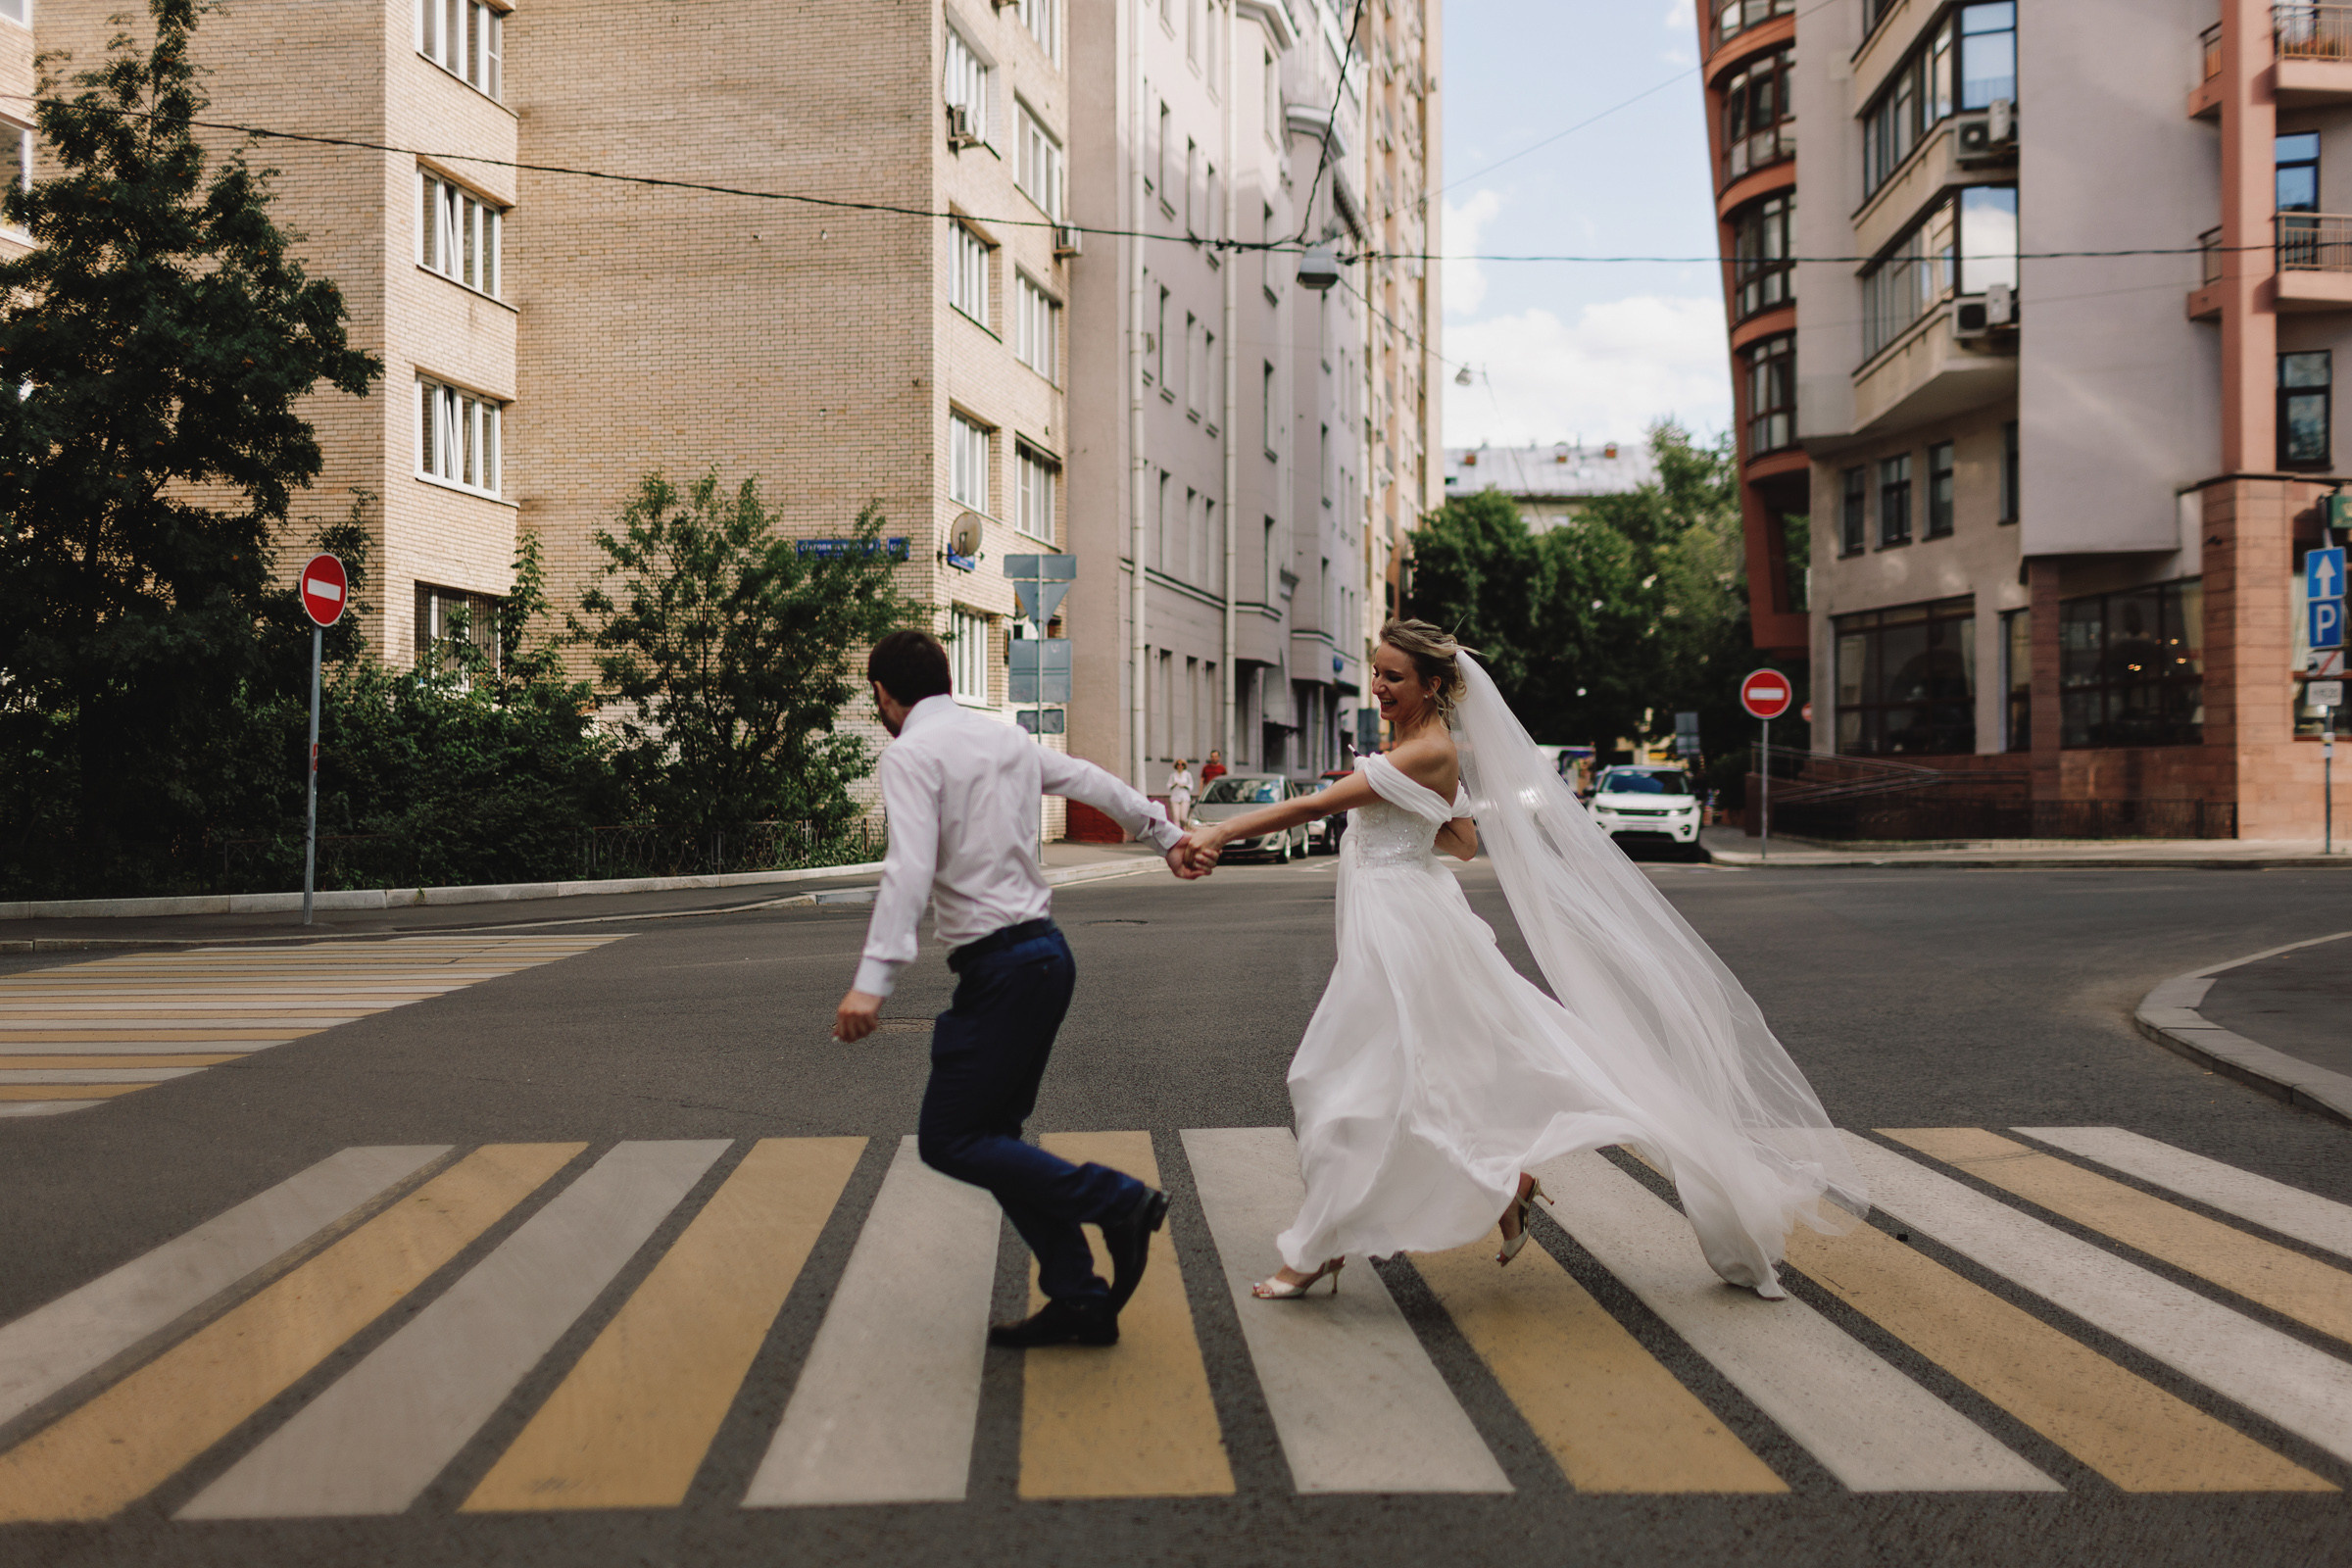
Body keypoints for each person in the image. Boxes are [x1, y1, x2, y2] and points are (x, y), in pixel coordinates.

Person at [1178, 618, 1865, 1301]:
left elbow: (1314, 806)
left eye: (1394, 676)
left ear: (1433, 685)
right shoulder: (1422, 748)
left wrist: (1221, 829)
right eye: (1378, 672)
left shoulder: (1420, 753)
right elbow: (1465, 842)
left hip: (1403, 930)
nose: (1380, 686)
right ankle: (1497, 1187)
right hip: (1407, 914)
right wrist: (1410, 826)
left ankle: (1320, 1250)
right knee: (1412, 1078)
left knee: (1340, 1079)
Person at [835, 630, 1212, 1348]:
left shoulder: (911, 753)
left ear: (884, 694)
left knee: (949, 1139)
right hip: (1044, 958)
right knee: (992, 1137)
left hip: (1003, 969)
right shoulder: (1001, 737)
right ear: (947, 678)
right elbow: (1090, 781)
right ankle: (1077, 1297)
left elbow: (909, 867)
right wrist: (1165, 836)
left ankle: (1118, 1200)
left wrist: (872, 982)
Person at [1164, 758, 1196, 829]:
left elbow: (1191, 785)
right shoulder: (1173, 775)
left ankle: (1185, 829)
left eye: (1182, 765)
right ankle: (1177, 832)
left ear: (1184, 766)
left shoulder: (1187, 774)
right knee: (1176, 816)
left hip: (1185, 797)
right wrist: (1174, 784)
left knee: (1183, 817)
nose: (1180, 766)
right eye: (1178, 764)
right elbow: (1168, 786)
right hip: (1175, 798)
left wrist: (1184, 786)